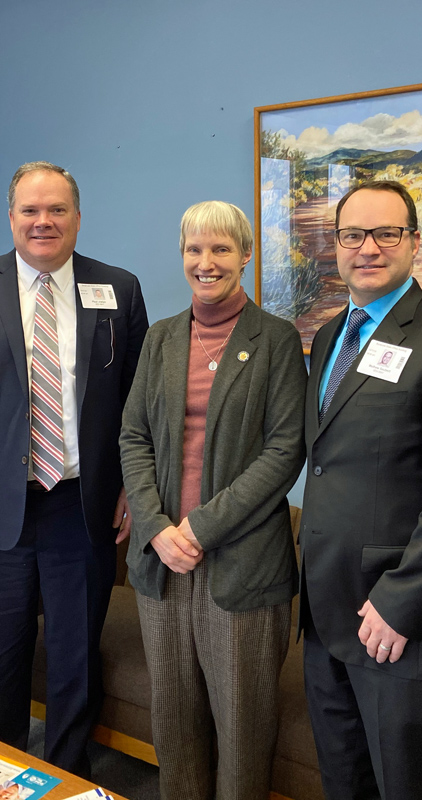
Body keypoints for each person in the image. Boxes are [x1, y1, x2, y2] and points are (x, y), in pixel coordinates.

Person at [120, 201, 307, 800]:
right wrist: (155, 526)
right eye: (195, 250)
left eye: (221, 249)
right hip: (161, 565)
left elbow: (284, 451)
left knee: (243, 727)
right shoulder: (161, 338)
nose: (207, 262)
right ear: (182, 258)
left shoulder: (275, 339)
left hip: (243, 567)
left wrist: (198, 529)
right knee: (173, 721)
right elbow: (133, 436)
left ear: (246, 255)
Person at [0, 161, 148, 776]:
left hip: (80, 504)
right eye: (30, 210)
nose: (43, 222)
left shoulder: (118, 288)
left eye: (56, 209)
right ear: (12, 219)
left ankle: (64, 777)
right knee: (5, 659)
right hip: (5, 507)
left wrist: (134, 490)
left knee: (73, 659)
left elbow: (141, 401)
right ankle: (6, 776)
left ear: (78, 219)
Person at [299, 179, 422, 800]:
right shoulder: (330, 336)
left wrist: (402, 601)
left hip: (397, 624)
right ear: (335, 245)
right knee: (342, 781)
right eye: (354, 234)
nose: (369, 248)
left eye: (387, 233)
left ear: (414, 242)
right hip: (326, 612)